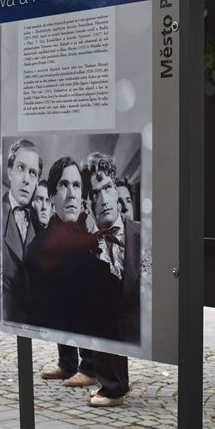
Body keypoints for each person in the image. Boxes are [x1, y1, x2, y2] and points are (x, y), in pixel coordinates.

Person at [32, 156, 100, 389]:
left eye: (76, 185)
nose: (71, 193)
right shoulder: (40, 244)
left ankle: (90, 366)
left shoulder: (92, 240)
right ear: (52, 196)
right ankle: (67, 361)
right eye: (63, 185)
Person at [82, 152, 141, 407]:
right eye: (96, 193)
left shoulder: (140, 234)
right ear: (88, 201)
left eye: (107, 187)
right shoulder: (84, 246)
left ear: (116, 190)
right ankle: (111, 385)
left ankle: (115, 385)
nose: (104, 199)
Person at [2, 139, 41, 323]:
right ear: (9, 171)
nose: (26, 179)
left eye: (33, 173)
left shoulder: (41, 225)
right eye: (20, 168)